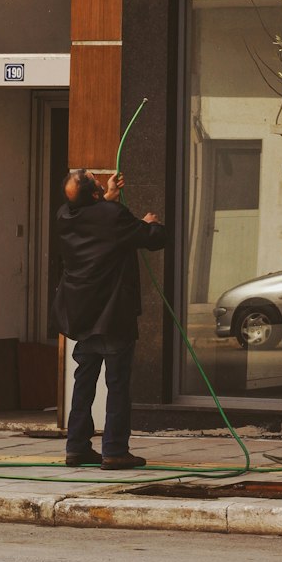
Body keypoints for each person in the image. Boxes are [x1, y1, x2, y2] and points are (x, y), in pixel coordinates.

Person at [51, 168, 165, 469]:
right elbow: (151, 238)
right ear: (95, 194)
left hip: (81, 314)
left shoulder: (64, 216)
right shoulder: (113, 216)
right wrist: (149, 223)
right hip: (113, 314)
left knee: (84, 382)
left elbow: (96, 220)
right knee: (117, 385)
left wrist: (107, 197)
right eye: (95, 180)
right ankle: (114, 450)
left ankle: (76, 447)